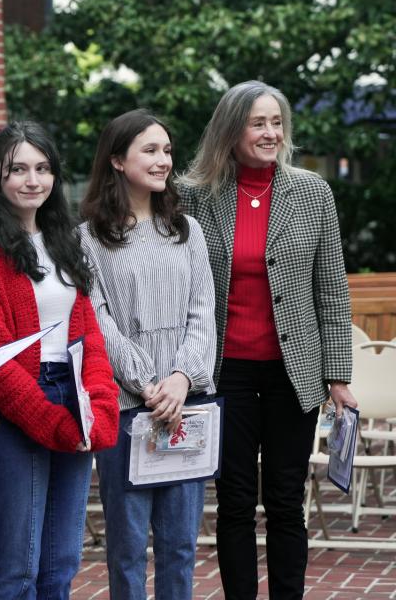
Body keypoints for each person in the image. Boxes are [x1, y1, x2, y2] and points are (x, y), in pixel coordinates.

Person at [178, 80, 357, 599]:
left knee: (284, 500)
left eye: (276, 122)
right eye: (258, 123)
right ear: (230, 130)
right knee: (233, 502)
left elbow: (332, 289)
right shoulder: (194, 195)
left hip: (292, 373)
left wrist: (338, 376)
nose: (270, 133)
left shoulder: (311, 192)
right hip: (222, 371)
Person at [0, 121, 119, 599]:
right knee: (18, 565)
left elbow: (89, 333)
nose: (32, 180)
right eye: (18, 169)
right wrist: (49, 419)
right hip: (14, 402)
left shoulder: (64, 239)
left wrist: (99, 404)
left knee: (62, 562)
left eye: (42, 169)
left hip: (72, 394)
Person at [79, 109, 216, 599]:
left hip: (186, 400)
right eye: (150, 151)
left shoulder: (188, 230)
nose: (164, 161)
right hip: (126, 405)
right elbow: (97, 320)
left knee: (181, 546)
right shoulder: (90, 238)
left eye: (167, 150)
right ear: (117, 160)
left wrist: (180, 378)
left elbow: (203, 312)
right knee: (127, 545)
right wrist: (145, 382)